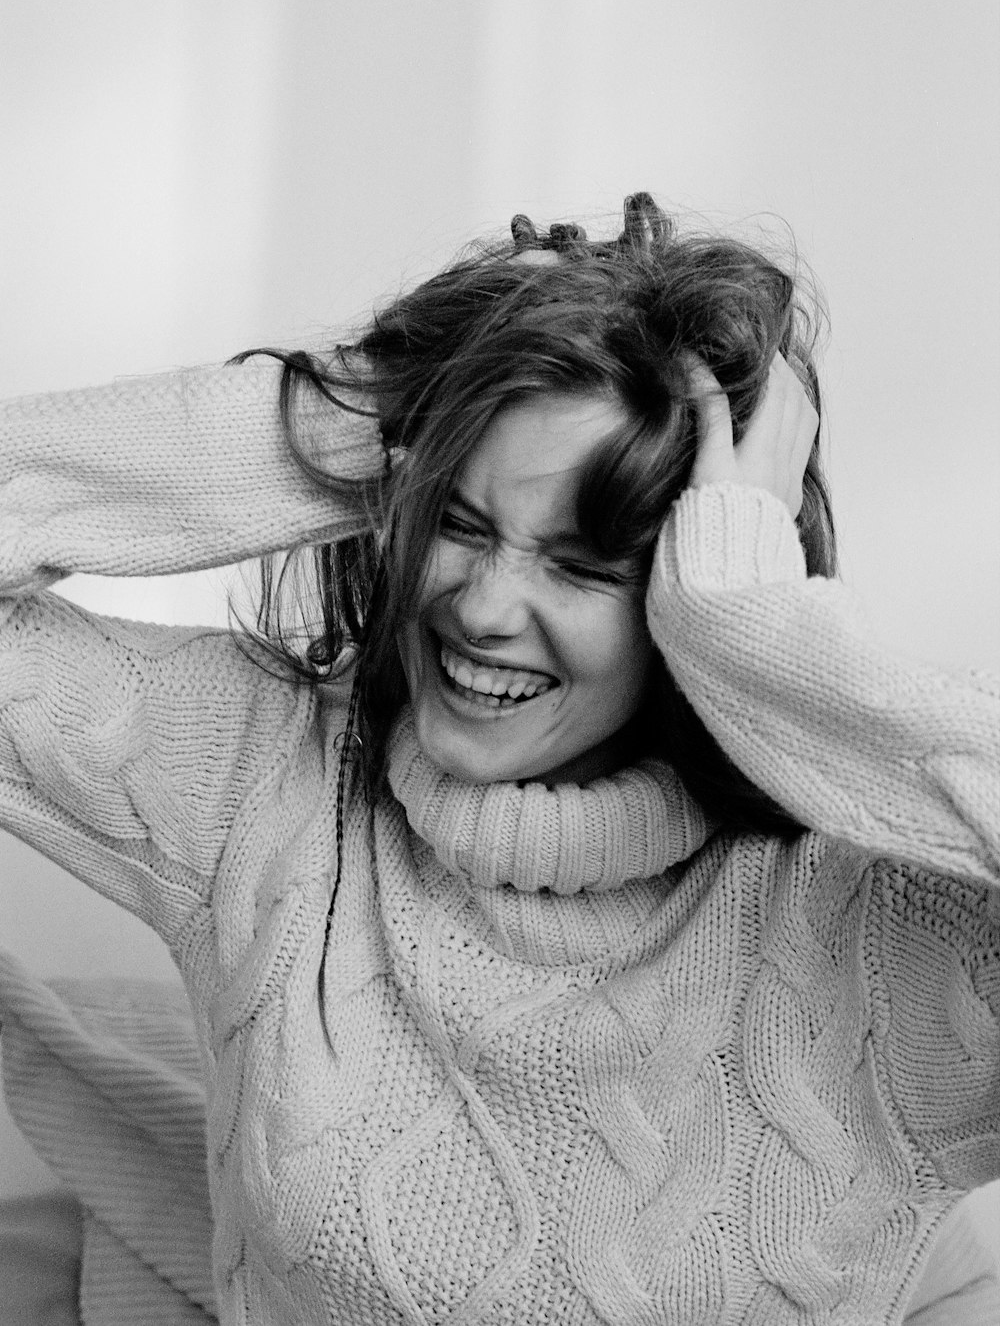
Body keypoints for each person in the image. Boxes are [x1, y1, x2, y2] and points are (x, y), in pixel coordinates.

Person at [0, 193, 997, 1324]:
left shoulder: (880, 936)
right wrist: (332, 423)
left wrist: (767, 638)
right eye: (461, 524)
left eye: (579, 564)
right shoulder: (263, 779)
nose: (479, 605)